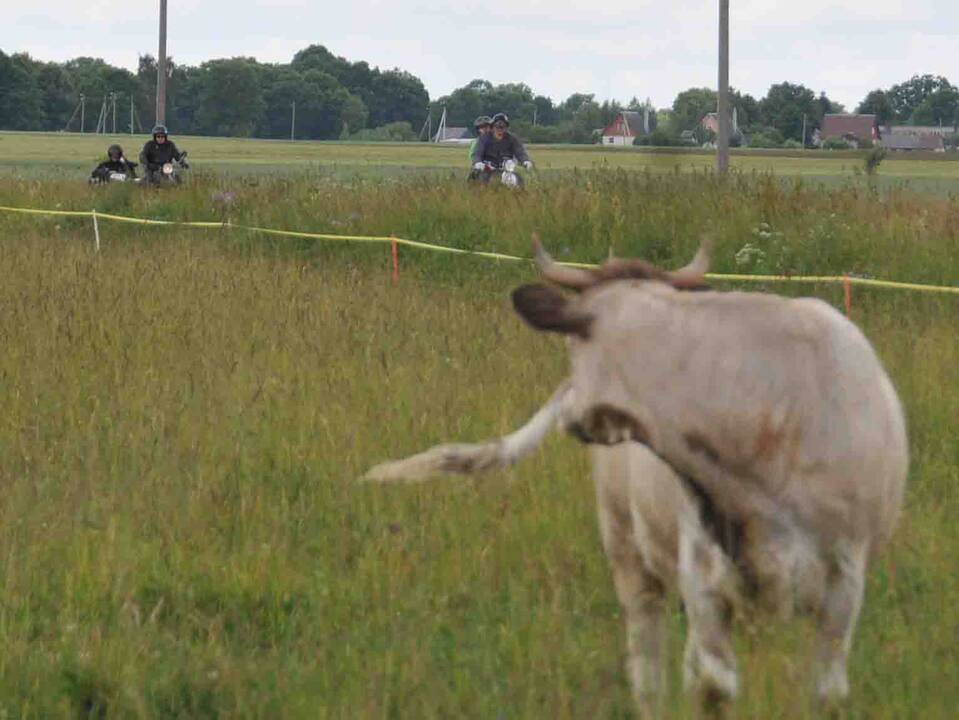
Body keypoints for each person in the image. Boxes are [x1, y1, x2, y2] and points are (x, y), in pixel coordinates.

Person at [470, 113, 532, 180]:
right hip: (487, 167)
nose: (499, 129)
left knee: (518, 180)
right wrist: (478, 162)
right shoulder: (484, 138)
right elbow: (477, 152)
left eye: (502, 127)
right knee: (478, 177)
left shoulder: (512, 139)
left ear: (506, 127)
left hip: (506, 167)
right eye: (497, 126)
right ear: (493, 127)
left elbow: (520, 151)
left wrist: (525, 160)